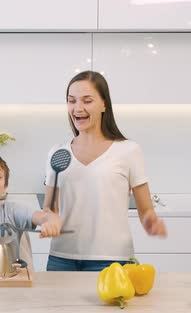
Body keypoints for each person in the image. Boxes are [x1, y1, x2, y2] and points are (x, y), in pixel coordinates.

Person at [43, 70, 167, 272]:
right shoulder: (57, 152)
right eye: (71, 101)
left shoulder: (128, 150)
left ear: (104, 104)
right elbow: (50, 208)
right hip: (61, 258)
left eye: (87, 100)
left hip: (111, 259)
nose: (77, 108)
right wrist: (48, 219)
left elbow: (145, 209)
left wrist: (151, 222)